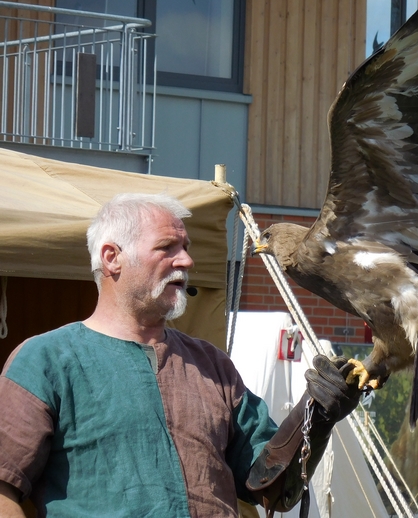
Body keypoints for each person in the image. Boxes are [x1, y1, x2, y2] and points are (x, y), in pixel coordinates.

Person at [0, 193, 362, 517]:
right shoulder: (45, 361)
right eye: (167, 247)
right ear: (112, 258)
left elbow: (271, 489)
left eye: (186, 246)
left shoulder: (212, 364)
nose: (187, 261)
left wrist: (316, 416)